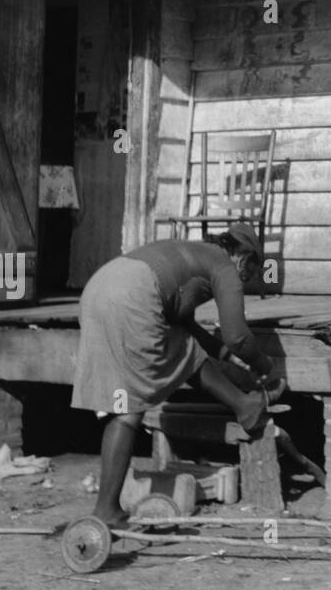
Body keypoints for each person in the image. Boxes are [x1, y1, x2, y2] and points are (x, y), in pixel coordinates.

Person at [71, 224, 286, 526]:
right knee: (163, 373)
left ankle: (107, 509)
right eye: (253, 269)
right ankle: (246, 407)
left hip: (99, 291)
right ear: (243, 258)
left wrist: (229, 361)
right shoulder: (225, 267)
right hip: (134, 297)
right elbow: (237, 336)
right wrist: (265, 366)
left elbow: (188, 327)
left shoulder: (196, 253)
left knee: (125, 406)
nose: (249, 278)